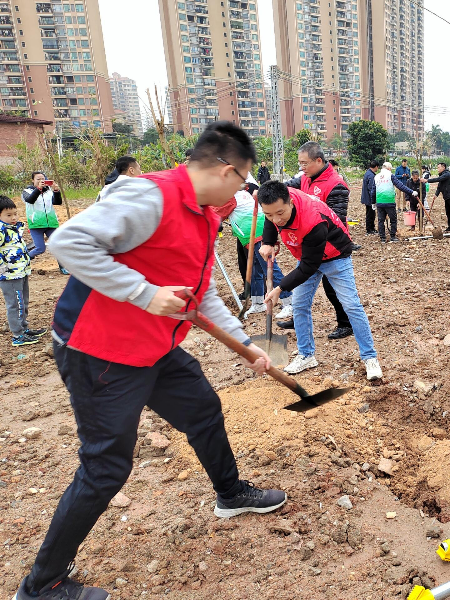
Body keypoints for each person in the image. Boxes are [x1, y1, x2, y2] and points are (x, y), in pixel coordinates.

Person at [11, 122, 286, 600]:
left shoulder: (203, 216)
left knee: (203, 409)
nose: (242, 193)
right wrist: (143, 293)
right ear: (227, 171)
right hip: (100, 350)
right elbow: (67, 242)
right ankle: (41, 586)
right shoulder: (150, 196)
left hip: (155, 347)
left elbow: (201, 294)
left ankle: (230, 494)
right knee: (106, 466)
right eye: (243, 182)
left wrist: (246, 343)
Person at [258, 181, 383, 380]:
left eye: (280, 213)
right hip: (306, 254)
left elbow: (309, 267)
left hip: (336, 256)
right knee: (299, 305)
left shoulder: (312, 219)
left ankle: (370, 357)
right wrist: (268, 242)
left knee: (351, 305)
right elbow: (271, 220)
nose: (276, 219)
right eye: (269, 214)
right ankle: (306, 355)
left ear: (291, 202)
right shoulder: (277, 203)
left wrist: (280, 289)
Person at [280, 141, 353, 340]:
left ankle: (346, 323)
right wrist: (267, 191)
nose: (301, 167)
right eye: (300, 163)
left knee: (333, 288)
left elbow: (337, 219)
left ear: (318, 161)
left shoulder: (336, 185)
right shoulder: (306, 178)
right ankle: (299, 318)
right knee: (302, 286)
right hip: (309, 243)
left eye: (304, 163)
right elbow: (286, 189)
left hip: (331, 246)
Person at [211, 176, 292, 318]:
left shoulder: (231, 197)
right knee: (255, 270)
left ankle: (289, 302)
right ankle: (258, 302)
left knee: (269, 268)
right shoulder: (239, 193)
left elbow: (214, 214)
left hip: (258, 233)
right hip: (250, 235)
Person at [0, 196, 47, 347]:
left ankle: (24, 328)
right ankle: (17, 335)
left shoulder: (14, 228)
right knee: (15, 304)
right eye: (8, 215)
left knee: (23, 302)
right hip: (10, 275)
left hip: (21, 271)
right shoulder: (2, 230)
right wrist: (2, 267)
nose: (13, 217)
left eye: (15, 213)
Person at [22, 171, 67, 274]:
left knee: (59, 245)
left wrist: (56, 191)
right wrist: (38, 189)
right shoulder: (27, 191)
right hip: (36, 224)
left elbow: (57, 202)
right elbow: (30, 200)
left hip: (51, 223)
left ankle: (63, 267)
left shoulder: (48, 191)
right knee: (40, 248)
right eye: (38, 179)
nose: (41, 181)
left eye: (43, 179)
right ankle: (24, 260)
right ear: (33, 180)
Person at [374, 161, 417, 242]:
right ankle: (392, 236)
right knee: (393, 220)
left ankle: (382, 238)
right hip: (389, 201)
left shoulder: (376, 176)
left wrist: (373, 202)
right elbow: (400, 186)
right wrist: (411, 192)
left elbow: (373, 190)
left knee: (381, 220)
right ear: (389, 168)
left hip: (379, 202)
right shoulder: (390, 175)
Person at [424, 162, 450, 231]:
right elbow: (439, 187)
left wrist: (427, 180)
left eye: (439, 167)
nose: (437, 169)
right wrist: (436, 194)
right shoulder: (442, 176)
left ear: (443, 167)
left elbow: (438, 179)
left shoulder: (447, 174)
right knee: (448, 212)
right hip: (446, 197)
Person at [361, 159, 379, 235]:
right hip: (369, 199)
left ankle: (371, 228)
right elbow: (371, 189)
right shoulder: (371, 176)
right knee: (370, 214)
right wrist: (373, 200)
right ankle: (369, 229)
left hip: (367, 197)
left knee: (370, 213)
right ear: (376, 166)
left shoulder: (368, 173)